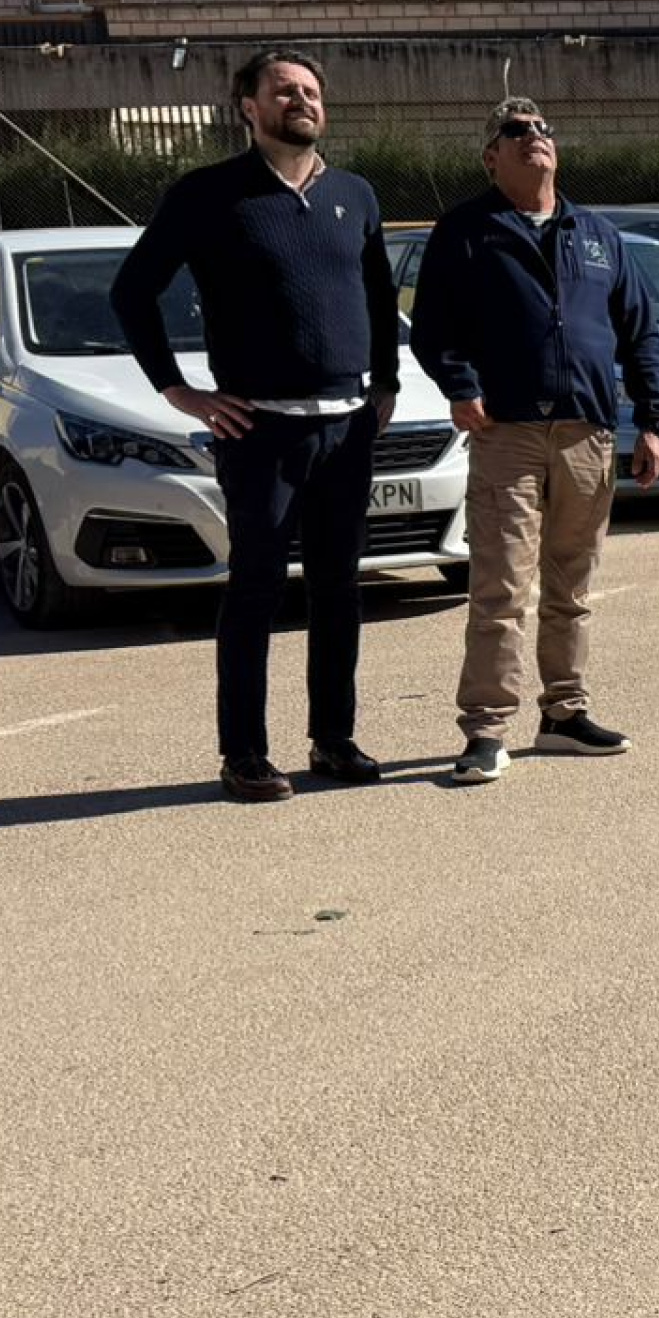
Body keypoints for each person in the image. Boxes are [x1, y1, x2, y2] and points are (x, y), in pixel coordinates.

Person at [114, 48, 403, 804]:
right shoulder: (208, 194)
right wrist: (180, 391)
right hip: (259, 432)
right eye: (284, 90)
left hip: (347, 429)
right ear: (248, 107)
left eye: (310, 90)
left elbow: (379, 297)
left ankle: (334, 738)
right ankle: (243, 753)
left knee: (339, 590)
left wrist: (386, 382)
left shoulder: (355, 195)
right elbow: (133, 292)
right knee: (256, 590)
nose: (301, 100)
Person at [406, 97, 659, 786]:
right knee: (500, 587)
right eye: (516, 132)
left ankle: (564, 715)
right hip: (507, 433)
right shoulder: (467, 231)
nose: (534, 138)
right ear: (491, 157)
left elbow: (639, 330)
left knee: (572, 586)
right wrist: (460, 385)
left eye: (543, 129)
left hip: (587, 433)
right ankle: (486, 730)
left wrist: (651, 420)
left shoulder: (596, 234)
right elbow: (433, 326)